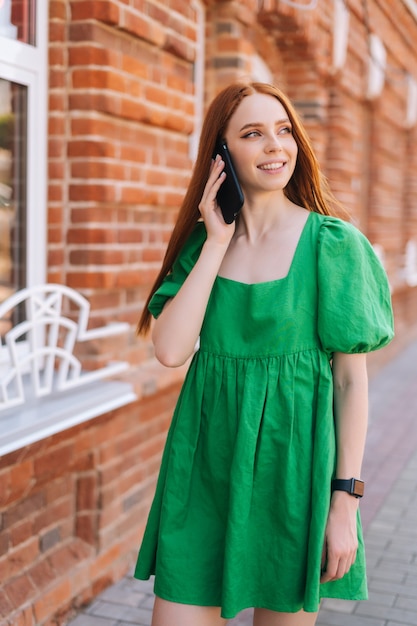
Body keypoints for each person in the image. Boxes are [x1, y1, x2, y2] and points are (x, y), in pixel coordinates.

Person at [134, 81, 394, 626]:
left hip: (295, 472)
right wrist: (216, 242)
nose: (276, 145)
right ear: (221, 155)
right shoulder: (205, 248)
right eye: (253, 133)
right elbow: (171, 350)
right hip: (205, 472)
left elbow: (350, 381)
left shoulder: (334, 245)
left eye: (284, 131)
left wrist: (344, 502)